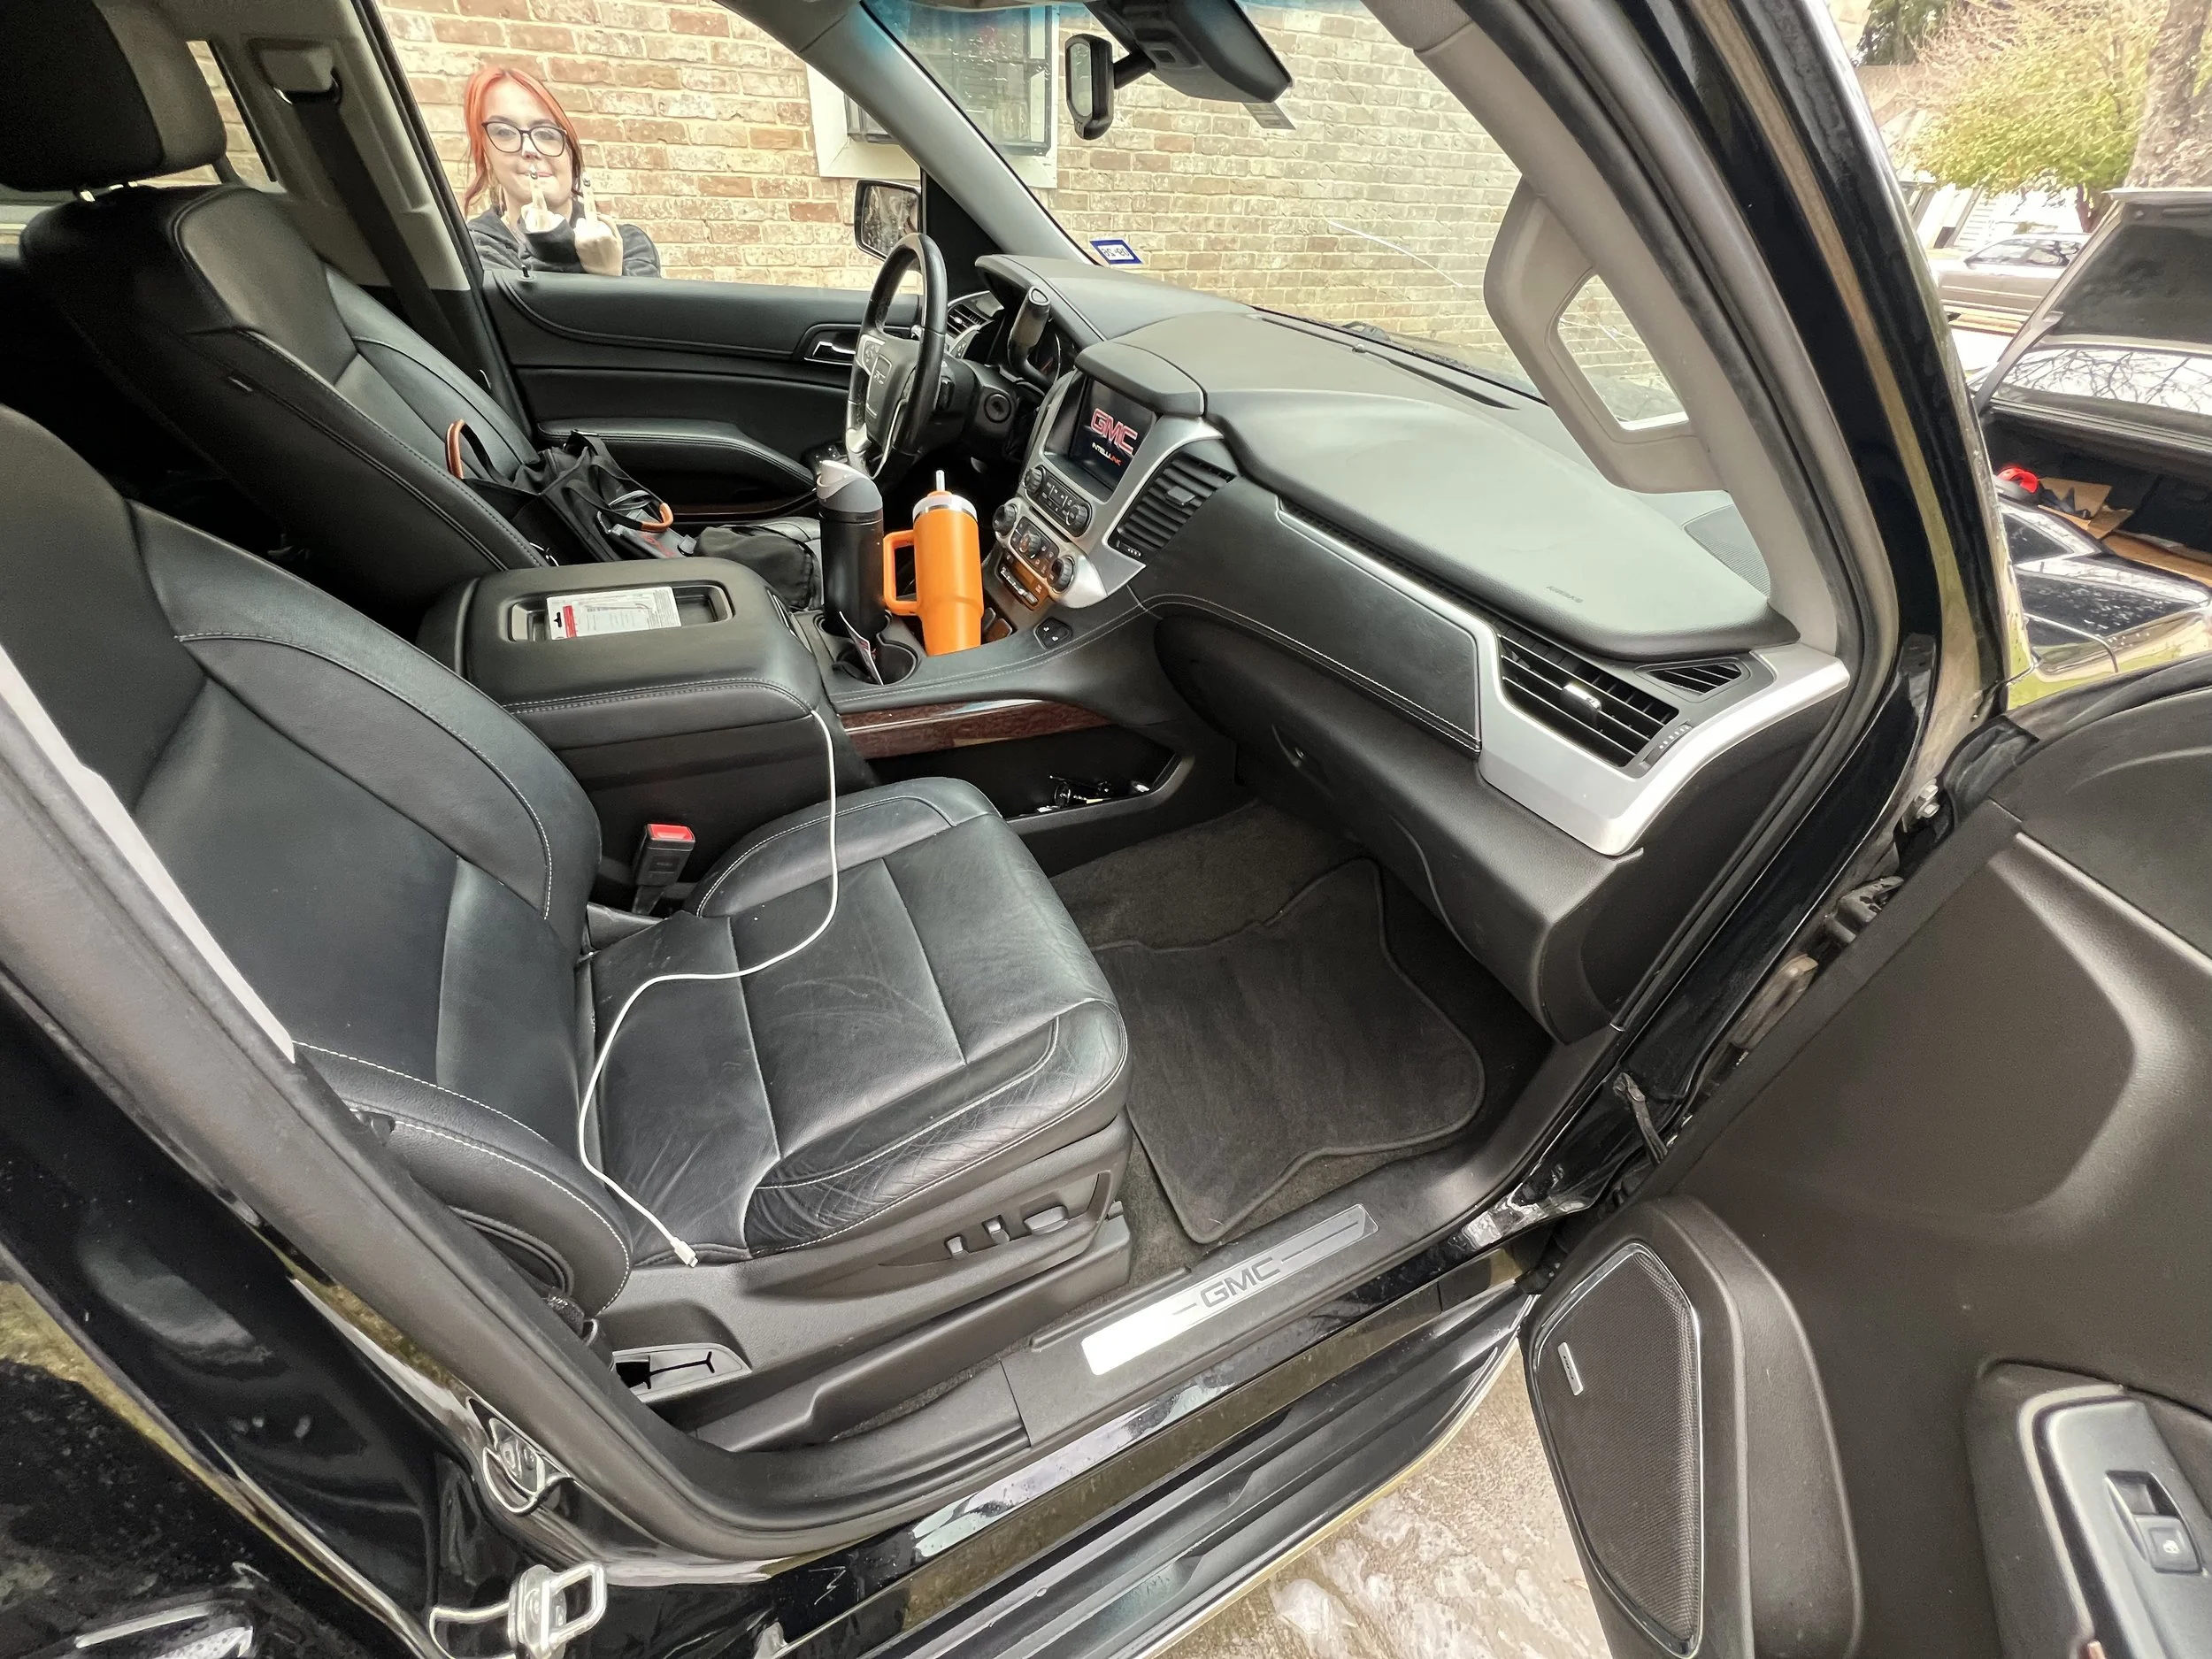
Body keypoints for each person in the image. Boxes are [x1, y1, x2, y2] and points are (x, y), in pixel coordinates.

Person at [461, 65, 659, 277]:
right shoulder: (474, 250)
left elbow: (651, 310)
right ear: (485, 155)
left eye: (546, 134)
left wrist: (611, 274)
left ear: (570, 152)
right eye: (504, 132)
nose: (530, 148)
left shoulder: (629, 243)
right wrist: (553, 248)